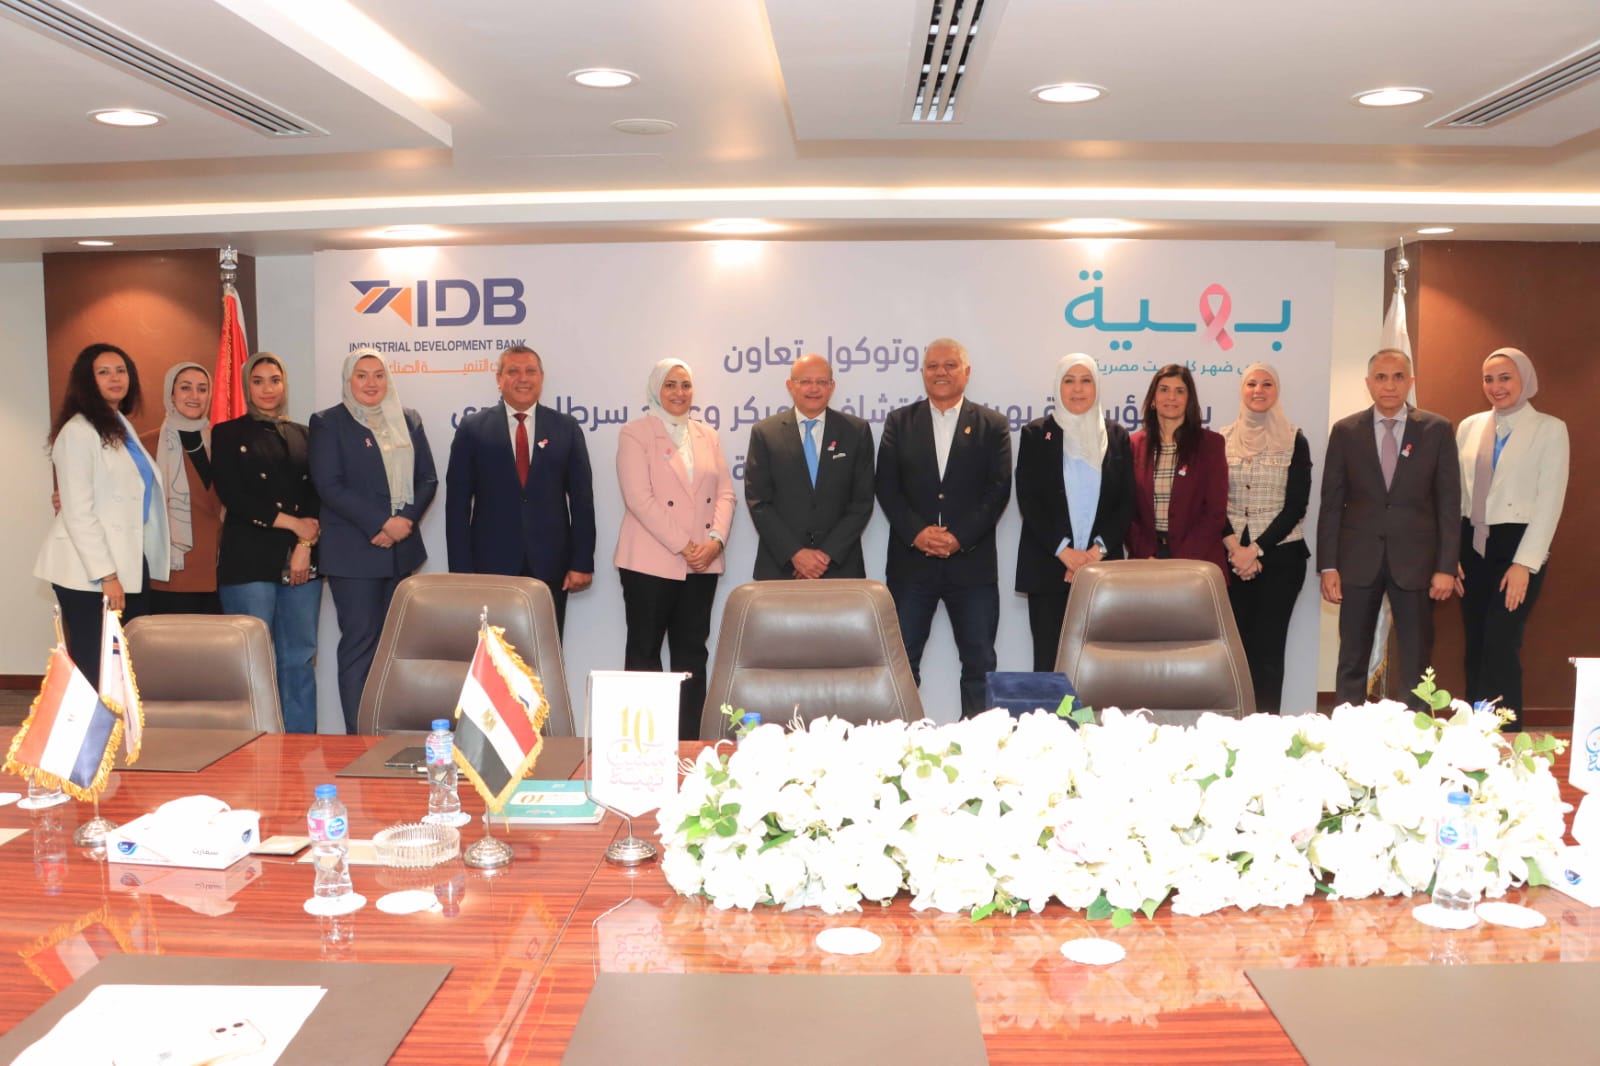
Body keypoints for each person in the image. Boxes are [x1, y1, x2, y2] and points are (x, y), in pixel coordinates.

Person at [876, 338, 1012, 718]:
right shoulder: (899, 422)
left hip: (972, 566)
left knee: (979, 663)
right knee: (901, 664)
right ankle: (899, 745)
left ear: (966, 372)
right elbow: (886, 487)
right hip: (911, 566)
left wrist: (958, 538)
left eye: (950, 365)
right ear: (923, 373)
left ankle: (980, 744)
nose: (941, 372)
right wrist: (918, 533)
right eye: (933, 366)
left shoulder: (992, 425)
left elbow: (998, 491)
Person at [1319, 349, 1460, 709]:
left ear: (1410, 382)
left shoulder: (1437, 430)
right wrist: (1329, 565)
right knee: (1352, 657)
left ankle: (1415, 733)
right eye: (1381, 377)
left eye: (1398, 377)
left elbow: (1448, 504)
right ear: (1368, 383)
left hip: (1416, 563)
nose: (1389, 385)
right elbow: (1332, 503)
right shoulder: (1345, 431)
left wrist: (1445, 567)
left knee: (1416, 659)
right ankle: (1347, 729)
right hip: (1357, 561)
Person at [310, 347, 438, 732]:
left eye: (378, 375)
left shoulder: (409, 419)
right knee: (360, 646)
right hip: (354, 556)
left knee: (394, 648)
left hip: (401, 554)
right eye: (362, 375)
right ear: (348, 380)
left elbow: (427, 478)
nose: (371, 383)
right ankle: (359, 738)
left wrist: (404, 521)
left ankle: (387, 732)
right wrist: (382, 523)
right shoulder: (328, 423)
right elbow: (329, 485)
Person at [615, 358, 736, 740]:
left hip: (702, 564)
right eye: (670, 385)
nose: (679, 392)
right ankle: (644, 746)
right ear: (656, 389)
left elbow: (726, 494)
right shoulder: (635, 433)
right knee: (644, 654)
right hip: (649, 562)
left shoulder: (707, 435)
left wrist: (715, 541)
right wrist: (685, 545)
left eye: (685, 384)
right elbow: (639, 498)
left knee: (692, 658)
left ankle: (689, 746)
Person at [35, 343, 170, 671]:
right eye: (104, 372)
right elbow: (78, 513)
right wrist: (107, 576)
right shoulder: (78, 431)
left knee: (126, 668)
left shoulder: (119, 424)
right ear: (87, 380)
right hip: (90, 572)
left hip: (128, 561)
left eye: (121, 371)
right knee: (97, 666)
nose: (115, 378)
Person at [446, 344, 595, 634]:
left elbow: (582, 501)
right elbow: (457, 505)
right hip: (489, 566)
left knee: (545, 649)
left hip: (551, 564)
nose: (522, 378)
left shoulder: (566, 428)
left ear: (542, 377)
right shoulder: (472, 428)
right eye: (513, 371)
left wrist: (582, 561)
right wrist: (461, 571)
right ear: (499, 379)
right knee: (494, 654)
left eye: (530, 371)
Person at [1454, 347, 1568, 725]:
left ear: (1525, 379)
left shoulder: (1550, 429)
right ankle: (1475, 733)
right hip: (1471, 545)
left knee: (1501, 643)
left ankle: (1505, 735)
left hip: (1518, 548)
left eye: (1505, 378)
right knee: (1475, 643)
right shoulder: (1468, 427)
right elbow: (1456, 497)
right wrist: (1451, 553)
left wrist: (1525, 564)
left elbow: (1550, 501)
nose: (1496, 386)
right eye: (1489, 379)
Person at [212, 353, 322, 733]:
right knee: (252, 661)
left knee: (299, 659)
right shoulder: (226, 434)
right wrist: (293, 524)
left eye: (275, 379)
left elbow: (316, 495)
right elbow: (234, 496)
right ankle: (254, 746)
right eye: (257, 381)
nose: (267, 389)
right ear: (247, 387)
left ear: (284, 384)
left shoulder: (306, 435)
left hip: (301, 559)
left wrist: (304, 545)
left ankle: (300, 747)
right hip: (248, 561)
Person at [1014, 354, 1134, 671]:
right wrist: (1065, 553)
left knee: (1099, 662)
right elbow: (1029, 499)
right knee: (1051, 662)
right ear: (1058, 386)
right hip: (1049, 566)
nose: (1077, 389)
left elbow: (1125, 502)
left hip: (1102, 567)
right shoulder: (1036, 434)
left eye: (1085, 380)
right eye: (1069, 380)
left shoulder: (1116, 436)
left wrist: (1094, 554)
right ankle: (1057, 709)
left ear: (1097, 386)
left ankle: (1087, 710)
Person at [1218, 363, 1312, 712]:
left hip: (1281, 559)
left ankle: (1267, 727)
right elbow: (1212, 500)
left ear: (1277, 391)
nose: (1258, 390)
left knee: (1270, 651)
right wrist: (1235, 548)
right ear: (1242, 390)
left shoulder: (1294, 439)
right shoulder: (1221, 439)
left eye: (1267, 384)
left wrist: (1255, 550)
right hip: (1230, 559)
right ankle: (1234, 725)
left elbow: (1296, 505)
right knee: (1234, 652)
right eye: (1252, 383)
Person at [744, 352, 875, 580]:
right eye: (805, 381)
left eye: (821, 382)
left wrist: (825, 555)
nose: (814, 388)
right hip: (781, 567)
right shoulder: (765, 433)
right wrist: (795, 554)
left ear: (832, 387)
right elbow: (758, 501)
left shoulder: (855, 431)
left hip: (839, 566)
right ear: (790, 386)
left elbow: (862, 502)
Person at [139, 362, 223, 615]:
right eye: (186, 388)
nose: (195, 396)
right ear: (171, 393)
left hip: (217, 569)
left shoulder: (222, 440)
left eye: (202, 389)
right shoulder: (147, 445)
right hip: (170, 572)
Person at [1127, 364, 1228, 574]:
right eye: (1164, 389)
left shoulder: (1210, 444)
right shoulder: (1133, 445)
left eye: (1180, 391)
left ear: (1189, 400)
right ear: (1153, 399)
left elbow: (1215, 513)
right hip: (1147, 562)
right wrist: (1146, 554)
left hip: (1197, 562)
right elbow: (1126, 511)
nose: (1171, 397)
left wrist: (1180, 560)